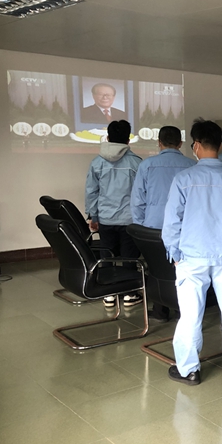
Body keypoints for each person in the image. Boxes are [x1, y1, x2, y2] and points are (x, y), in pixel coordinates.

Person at [162, 119, 222, 386]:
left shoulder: (184, 179)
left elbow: (171, 223)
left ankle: (189, 370)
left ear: (197, 145)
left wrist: (174, 254)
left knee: (191, 315)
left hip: (191, 257)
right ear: (220, 145)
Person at [130, 125, 194, 320]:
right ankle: (182, 309)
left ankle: (160, 310)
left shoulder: (147, 165)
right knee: (182, 267)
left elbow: (137, 200)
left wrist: (140, 228)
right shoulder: (192, 165)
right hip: (184, 227)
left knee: (156, 268)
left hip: (153, 226)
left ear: (159, 143)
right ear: (180, 143)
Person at [85, 119, 143, 308]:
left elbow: (91, 192)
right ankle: (130, 294)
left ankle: (109, 294)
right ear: (128, 140)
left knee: (106, 256)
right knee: (129, 257)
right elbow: (142, 193)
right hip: (129, 220)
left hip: (105, 218)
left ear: (108, 138)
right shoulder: (136, 163)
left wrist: (93, 216)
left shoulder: (97, 163)